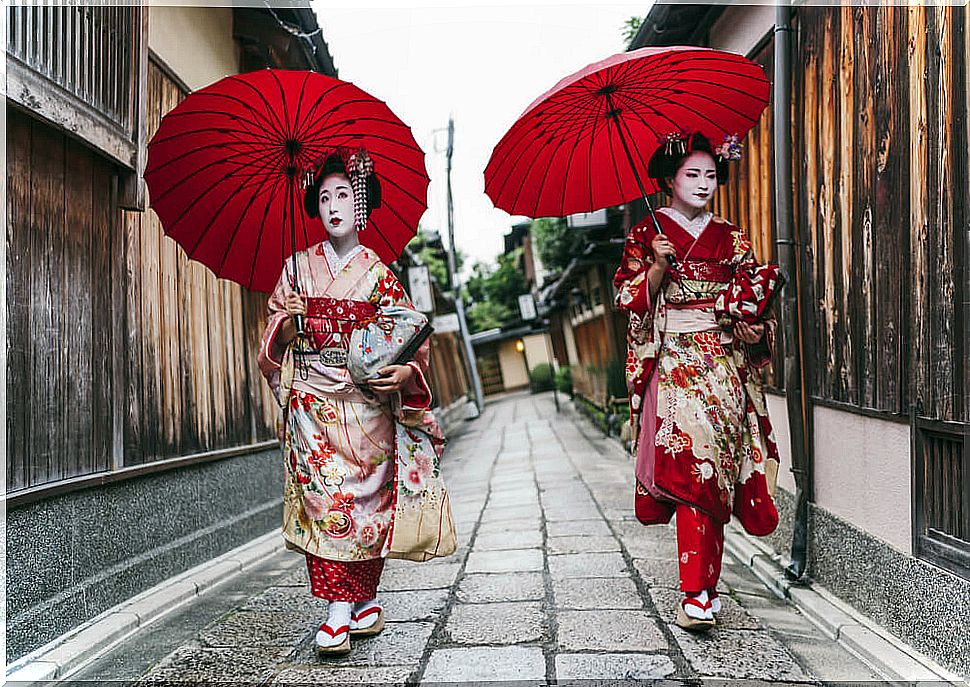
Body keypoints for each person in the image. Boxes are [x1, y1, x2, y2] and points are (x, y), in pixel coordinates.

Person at [257, 149, 439, 656]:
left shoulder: (379, 275)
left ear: (360, 204)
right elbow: (273, 344)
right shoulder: (296, 270)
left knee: (369, 503)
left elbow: (411, 337)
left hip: (366, 405)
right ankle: (337, 609)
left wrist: (405, 372)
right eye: (323, 197)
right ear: (314, 207)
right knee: (326, 502)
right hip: (314, 401)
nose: (333, 205)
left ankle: (363, 598)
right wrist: (289, 321)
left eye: (343, 195)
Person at [613, 132, 780, 631]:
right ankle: (696, 592)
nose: (704, 184)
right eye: (693, 174)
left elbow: (751, 297)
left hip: (723, 360)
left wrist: (754, 327)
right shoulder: (647, 233)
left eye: (711, 174)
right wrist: (659, 267)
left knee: (717, 473)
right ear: (669, 179)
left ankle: (706, 587)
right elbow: (628, 298)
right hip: (675, 364)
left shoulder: (731, 237)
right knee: (692, 471)